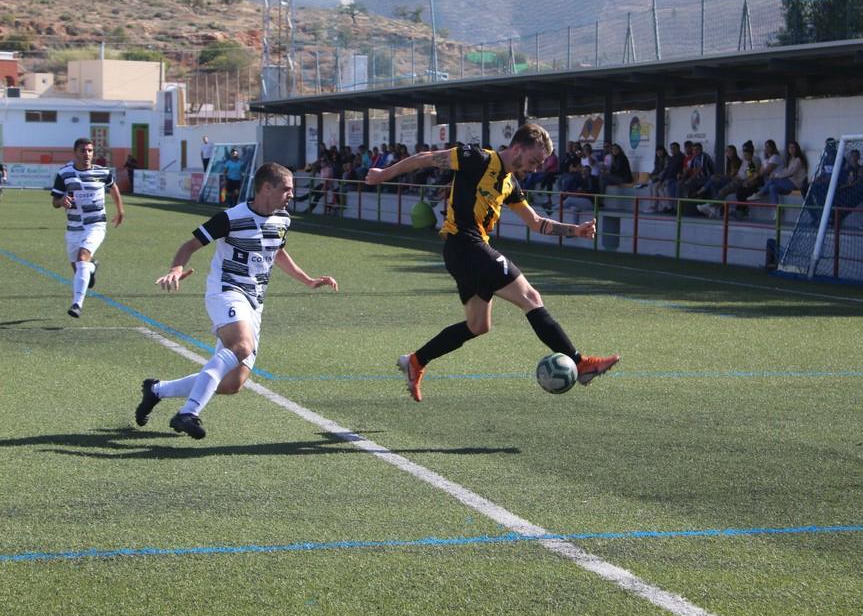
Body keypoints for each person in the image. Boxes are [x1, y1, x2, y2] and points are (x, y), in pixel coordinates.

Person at [365, 123, 620, 402]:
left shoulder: (510, 183)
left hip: (468, 252)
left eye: (539, 164)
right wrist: (383, 174)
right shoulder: (477, 158)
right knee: (530, 297)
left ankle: (415, 361)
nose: (535, 168)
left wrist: (575, 230)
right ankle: (580, 363)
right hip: (464, 245)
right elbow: (425, 158)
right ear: (518, 148)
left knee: (478, 326)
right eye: (534, 160)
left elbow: (535, 223)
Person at [135, 163, 338, 439]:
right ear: (267, 188)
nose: (292, 194)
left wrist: (308, 280)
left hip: (255, 301)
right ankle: (188, 412)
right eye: (287, 189)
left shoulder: (283, 219)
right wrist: (176, 269)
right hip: (226, 290)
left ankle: (157, 390)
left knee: (232, 382)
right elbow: (190, 245)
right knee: (242, 345)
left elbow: (276, 252)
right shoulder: (231, 218)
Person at [50, 138, 125, 318]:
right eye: (83, 150)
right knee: (79, 268)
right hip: (73, 227)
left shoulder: (102, 172)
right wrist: (62, 201)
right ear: (75, 152)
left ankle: (77, 304)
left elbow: (113, 188)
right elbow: (54, 201)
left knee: (82, 255)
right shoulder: (64, 174)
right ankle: (91, 269)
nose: (87, 154)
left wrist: (120, 210)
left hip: (96, 224)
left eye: (90, 151)